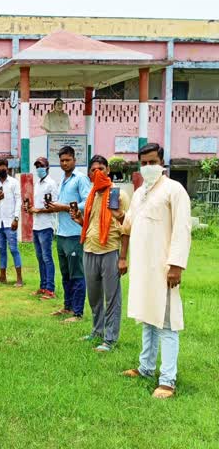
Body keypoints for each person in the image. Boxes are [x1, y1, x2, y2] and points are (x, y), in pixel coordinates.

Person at [118, 143, 191, 399]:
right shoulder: (139, 193)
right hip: (143, 268)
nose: (148, 167)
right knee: (148, 319)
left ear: (162, 163)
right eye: (144, 163)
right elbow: (127, 226)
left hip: (164, 269)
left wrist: (176, 265)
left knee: (167, 323)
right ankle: (146, 367)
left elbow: (182, 229)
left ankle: (168, 381)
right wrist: (123, 257)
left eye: (152, 162)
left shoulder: (174, 190)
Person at [70, 155, 129, 352]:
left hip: (110, 250)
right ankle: (97, 330)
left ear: (108, 170)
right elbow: (89, 225)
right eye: (93, 169)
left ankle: (110, 339)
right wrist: (79, 219)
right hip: (89, 249)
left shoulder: (117, 195)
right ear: (89, 174)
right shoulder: (92, 195)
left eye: (101, 168)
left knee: (112, 298)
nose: (98, 172)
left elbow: (126, 228)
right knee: (94, 296)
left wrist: (122, 258)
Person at [46, 146, 91, 323]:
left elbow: (87, 203)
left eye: (67, 160)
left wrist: (63, 207)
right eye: (62, 160)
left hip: (75, 233)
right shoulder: (63, 180)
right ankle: (67, 306)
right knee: (65, 274)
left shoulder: (80, 179)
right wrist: (55, 206)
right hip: (62, 234)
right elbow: (65, 204)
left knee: (77, 274)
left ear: (74, 159)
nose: (64, 163)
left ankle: (78, 313)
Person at [0, 158, 24, 287]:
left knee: (14, 249)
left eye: (2, 166)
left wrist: (16, 218)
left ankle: (19, 278)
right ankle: (2, 276)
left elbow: (18, 201)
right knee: (1, 250)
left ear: (7, 168)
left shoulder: (13, 182)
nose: (0, 169)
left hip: (10, 222)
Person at [28, 157, 59, 299]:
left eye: (41, 166)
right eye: (37, 166)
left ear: (47, 167)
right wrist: (30, 209)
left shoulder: (51, 184)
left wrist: (38, 211)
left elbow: (54, 206)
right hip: (36, 225)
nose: (39, 168)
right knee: (40, 258)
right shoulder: (38, 184)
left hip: (47, 225)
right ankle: (43, 286)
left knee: (47, 258)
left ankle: (50, 289)